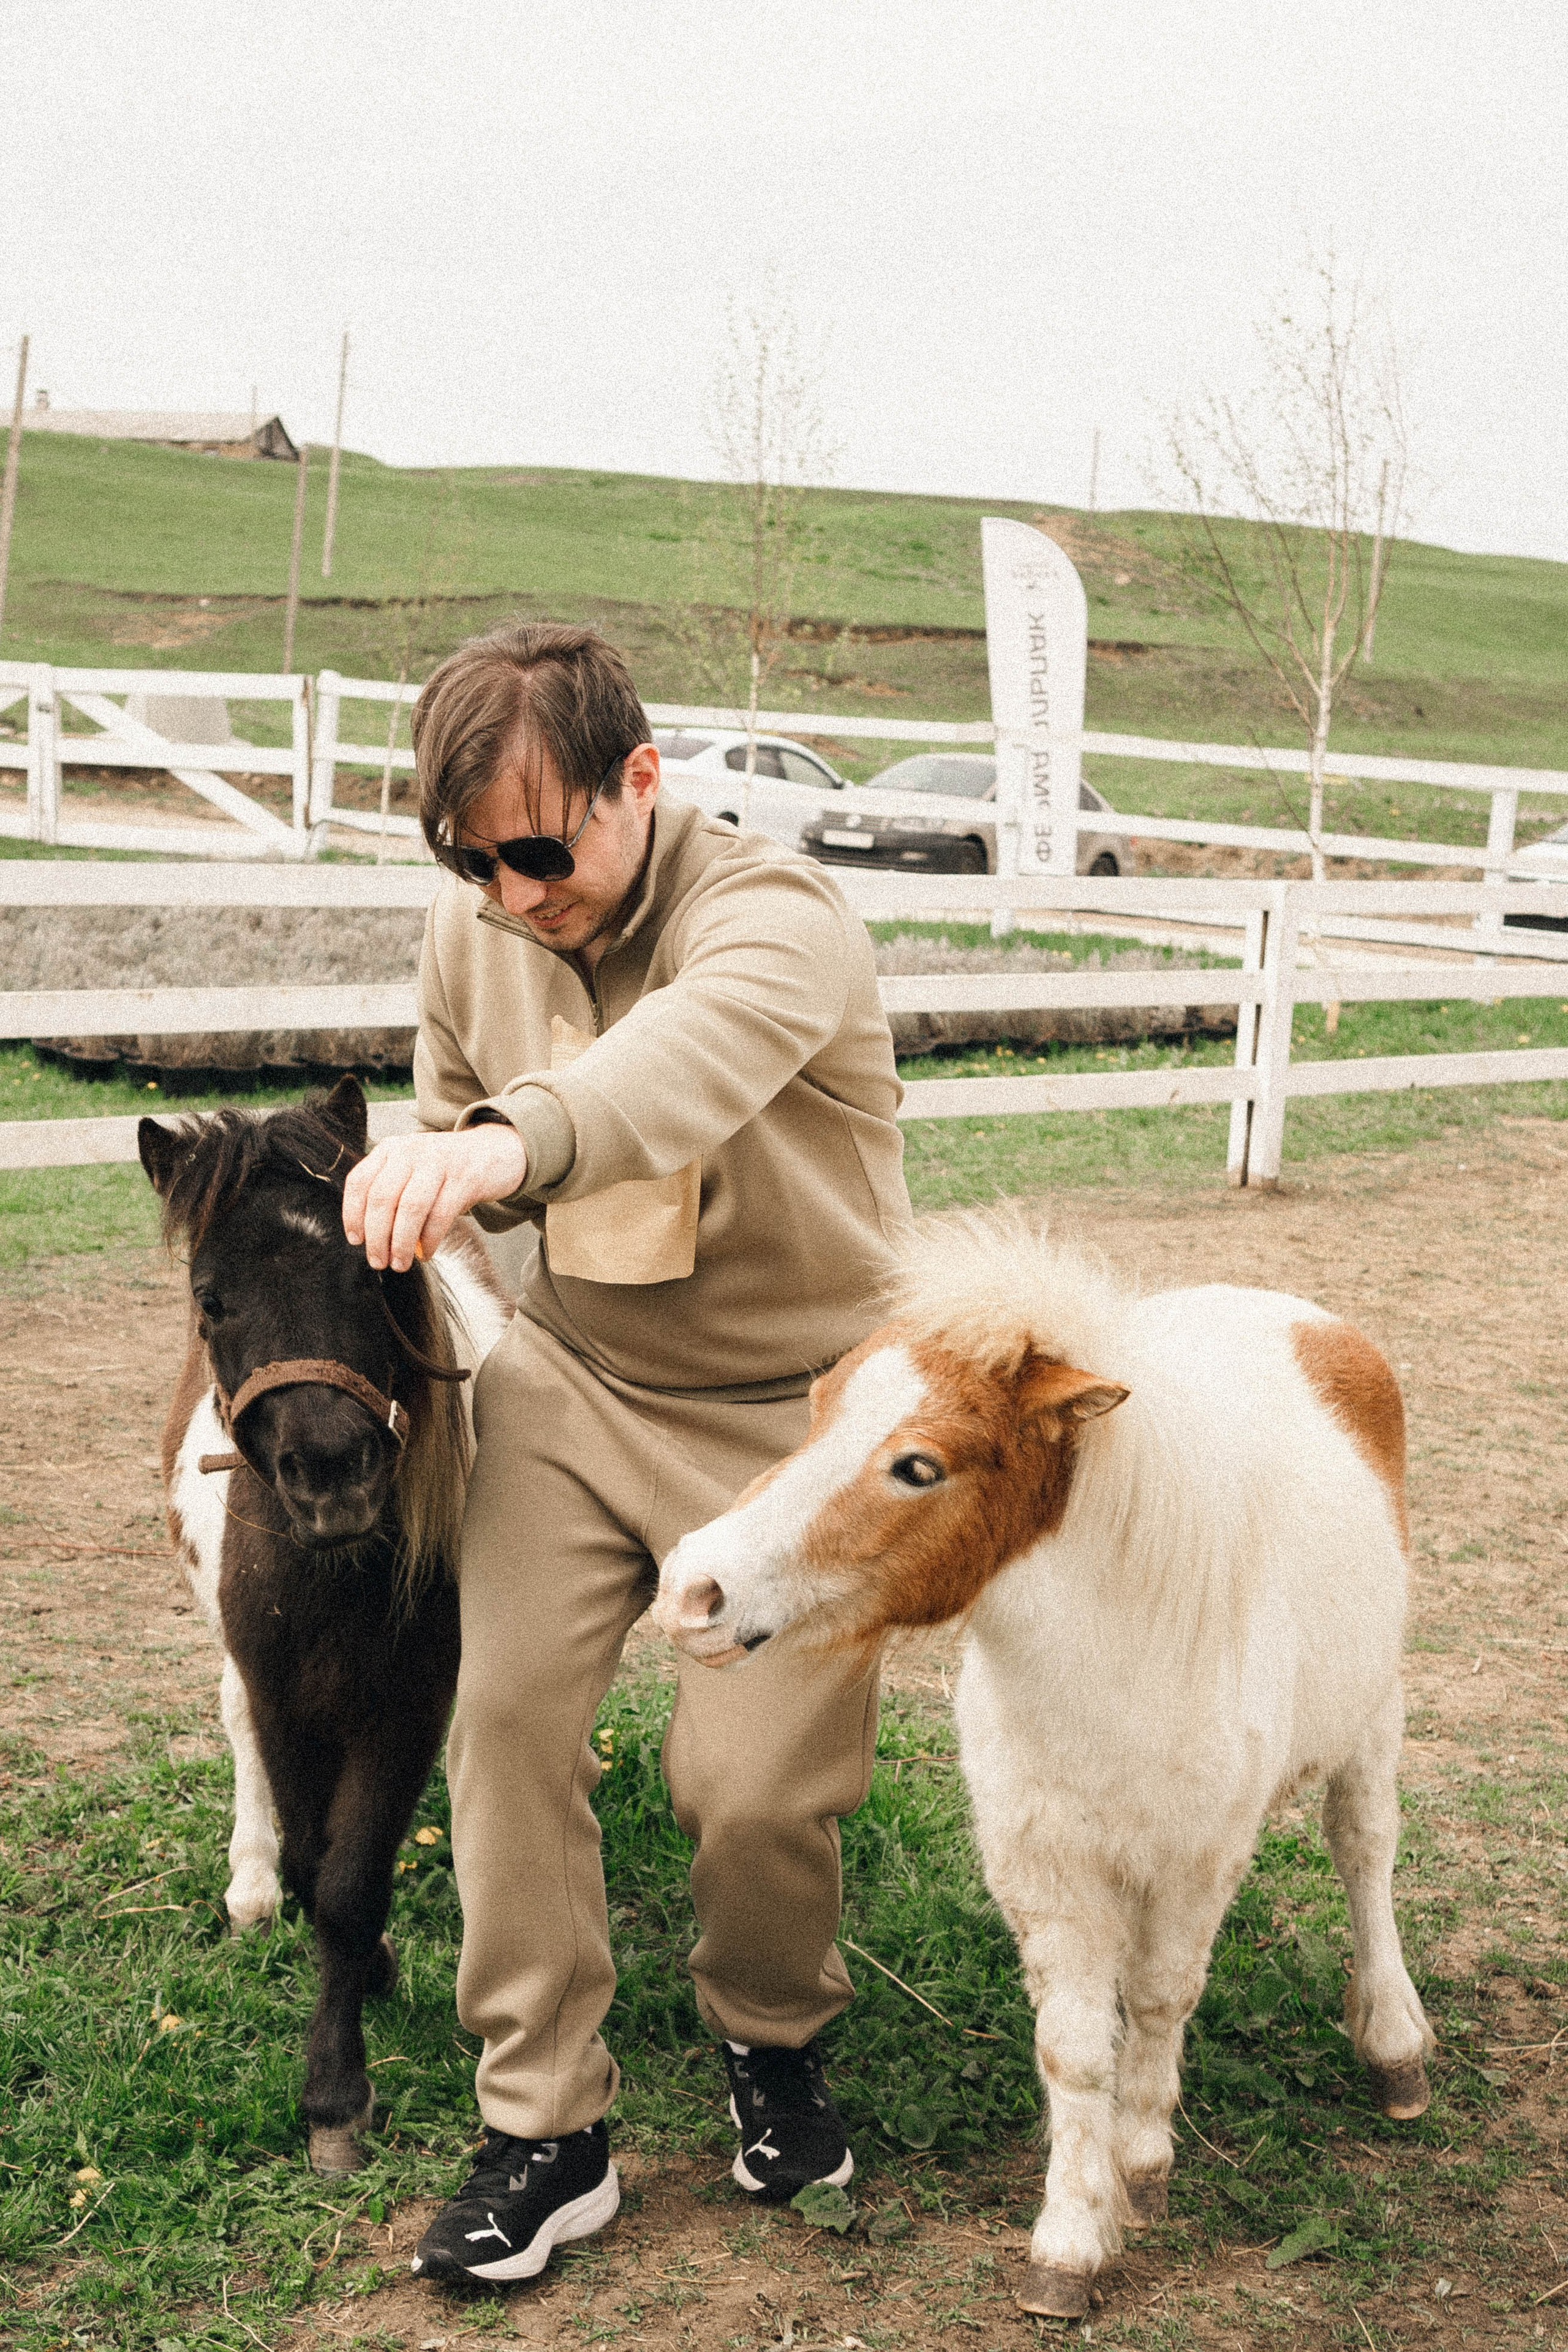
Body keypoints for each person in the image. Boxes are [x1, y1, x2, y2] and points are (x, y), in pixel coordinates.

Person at [341, 622, 912, 2285]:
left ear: (640, 783)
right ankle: (546, 2129)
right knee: (503, 1720)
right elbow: (453, 1123)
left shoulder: (775, 919)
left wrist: (511, 1141)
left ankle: (774, 2034)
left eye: (541, 848)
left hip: (795, 1422)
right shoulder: (474, 924)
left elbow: (667, 1078)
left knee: (743, 1796)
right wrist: (446, 1208)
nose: (514, 895)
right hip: (574, 1386)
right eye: (472, 860)